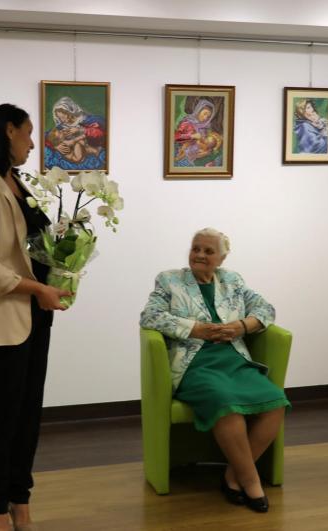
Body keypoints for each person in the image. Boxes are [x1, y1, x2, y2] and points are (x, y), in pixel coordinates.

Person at [0, 103, 72, 531]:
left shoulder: (15, 181)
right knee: (0, 418)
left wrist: (62, 263)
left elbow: (28, 247)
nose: (33, 143)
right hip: (1, 317)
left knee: (28, 414)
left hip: (34, 316)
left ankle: (21, 499)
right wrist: (37, 289)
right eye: (28, 133)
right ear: (8, 131)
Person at [140, 228, 290, 513]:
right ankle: (251, 481)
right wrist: (195, 329)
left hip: (233, 358)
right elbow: (150, 316)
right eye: (196, 248)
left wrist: (241, 326)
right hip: (193, 363)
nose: (199, 255)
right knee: (225, 404)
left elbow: (266, 309)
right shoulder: (169, 280)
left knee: (276, 403)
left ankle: (233, 475)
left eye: (208, 251)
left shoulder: (233, 280)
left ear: (222, 258)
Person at [44, 96, 106, 170]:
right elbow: (47, 136)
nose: (62, 120)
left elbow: (100, 133)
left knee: (80, 143)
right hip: (77, 154)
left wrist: (80, 130)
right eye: (60, 118)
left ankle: (94, 151)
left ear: (70, 111)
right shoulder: (62, 126)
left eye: (63, 117)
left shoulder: (86, 120)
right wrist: (55, 146)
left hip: (89, 147)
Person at [173, 99, 222, 167]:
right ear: (198, 110)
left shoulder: (205, 127)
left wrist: (207, 150)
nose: (205, 118)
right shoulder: (187, 123)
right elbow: (176, 137)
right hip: (183, 152)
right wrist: (192, 136)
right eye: (205, 113)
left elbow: (207, 142)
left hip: (197, 154)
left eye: (208, 117)